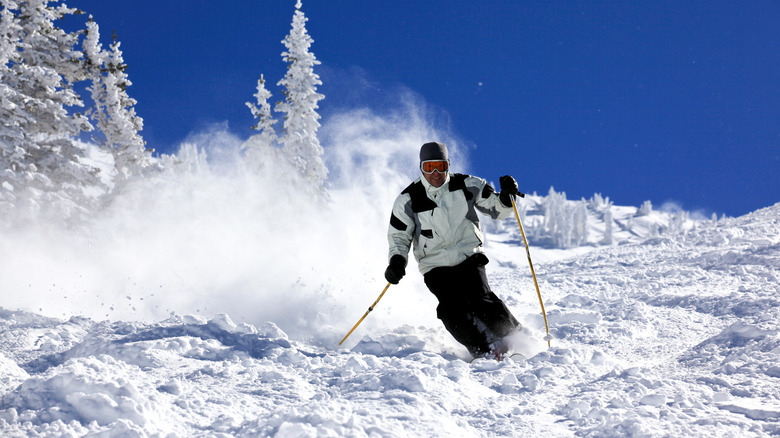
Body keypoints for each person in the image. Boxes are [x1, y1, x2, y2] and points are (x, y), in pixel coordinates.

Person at [385, 141, 522, 359]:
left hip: (468, 255)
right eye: (430, 168)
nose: (436, 173)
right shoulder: (408, 199)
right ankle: (483, 349)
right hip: (435, 265)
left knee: (480, 299)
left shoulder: (468, 184)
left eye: (441, 166)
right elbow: (399, 236)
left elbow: (497, 209)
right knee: (450, 310)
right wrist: (397, 260)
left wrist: (506, 197)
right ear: (421, 168)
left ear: (448, 165)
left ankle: (516, 338)